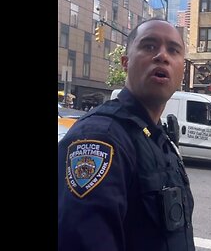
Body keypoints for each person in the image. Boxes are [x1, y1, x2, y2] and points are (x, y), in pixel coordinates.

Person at [58, 18, 195, 251]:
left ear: (182, 69)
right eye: (149, 46)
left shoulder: (159, 137)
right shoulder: (101, 137)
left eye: (173, 50)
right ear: (125, 62)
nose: (162, 56)